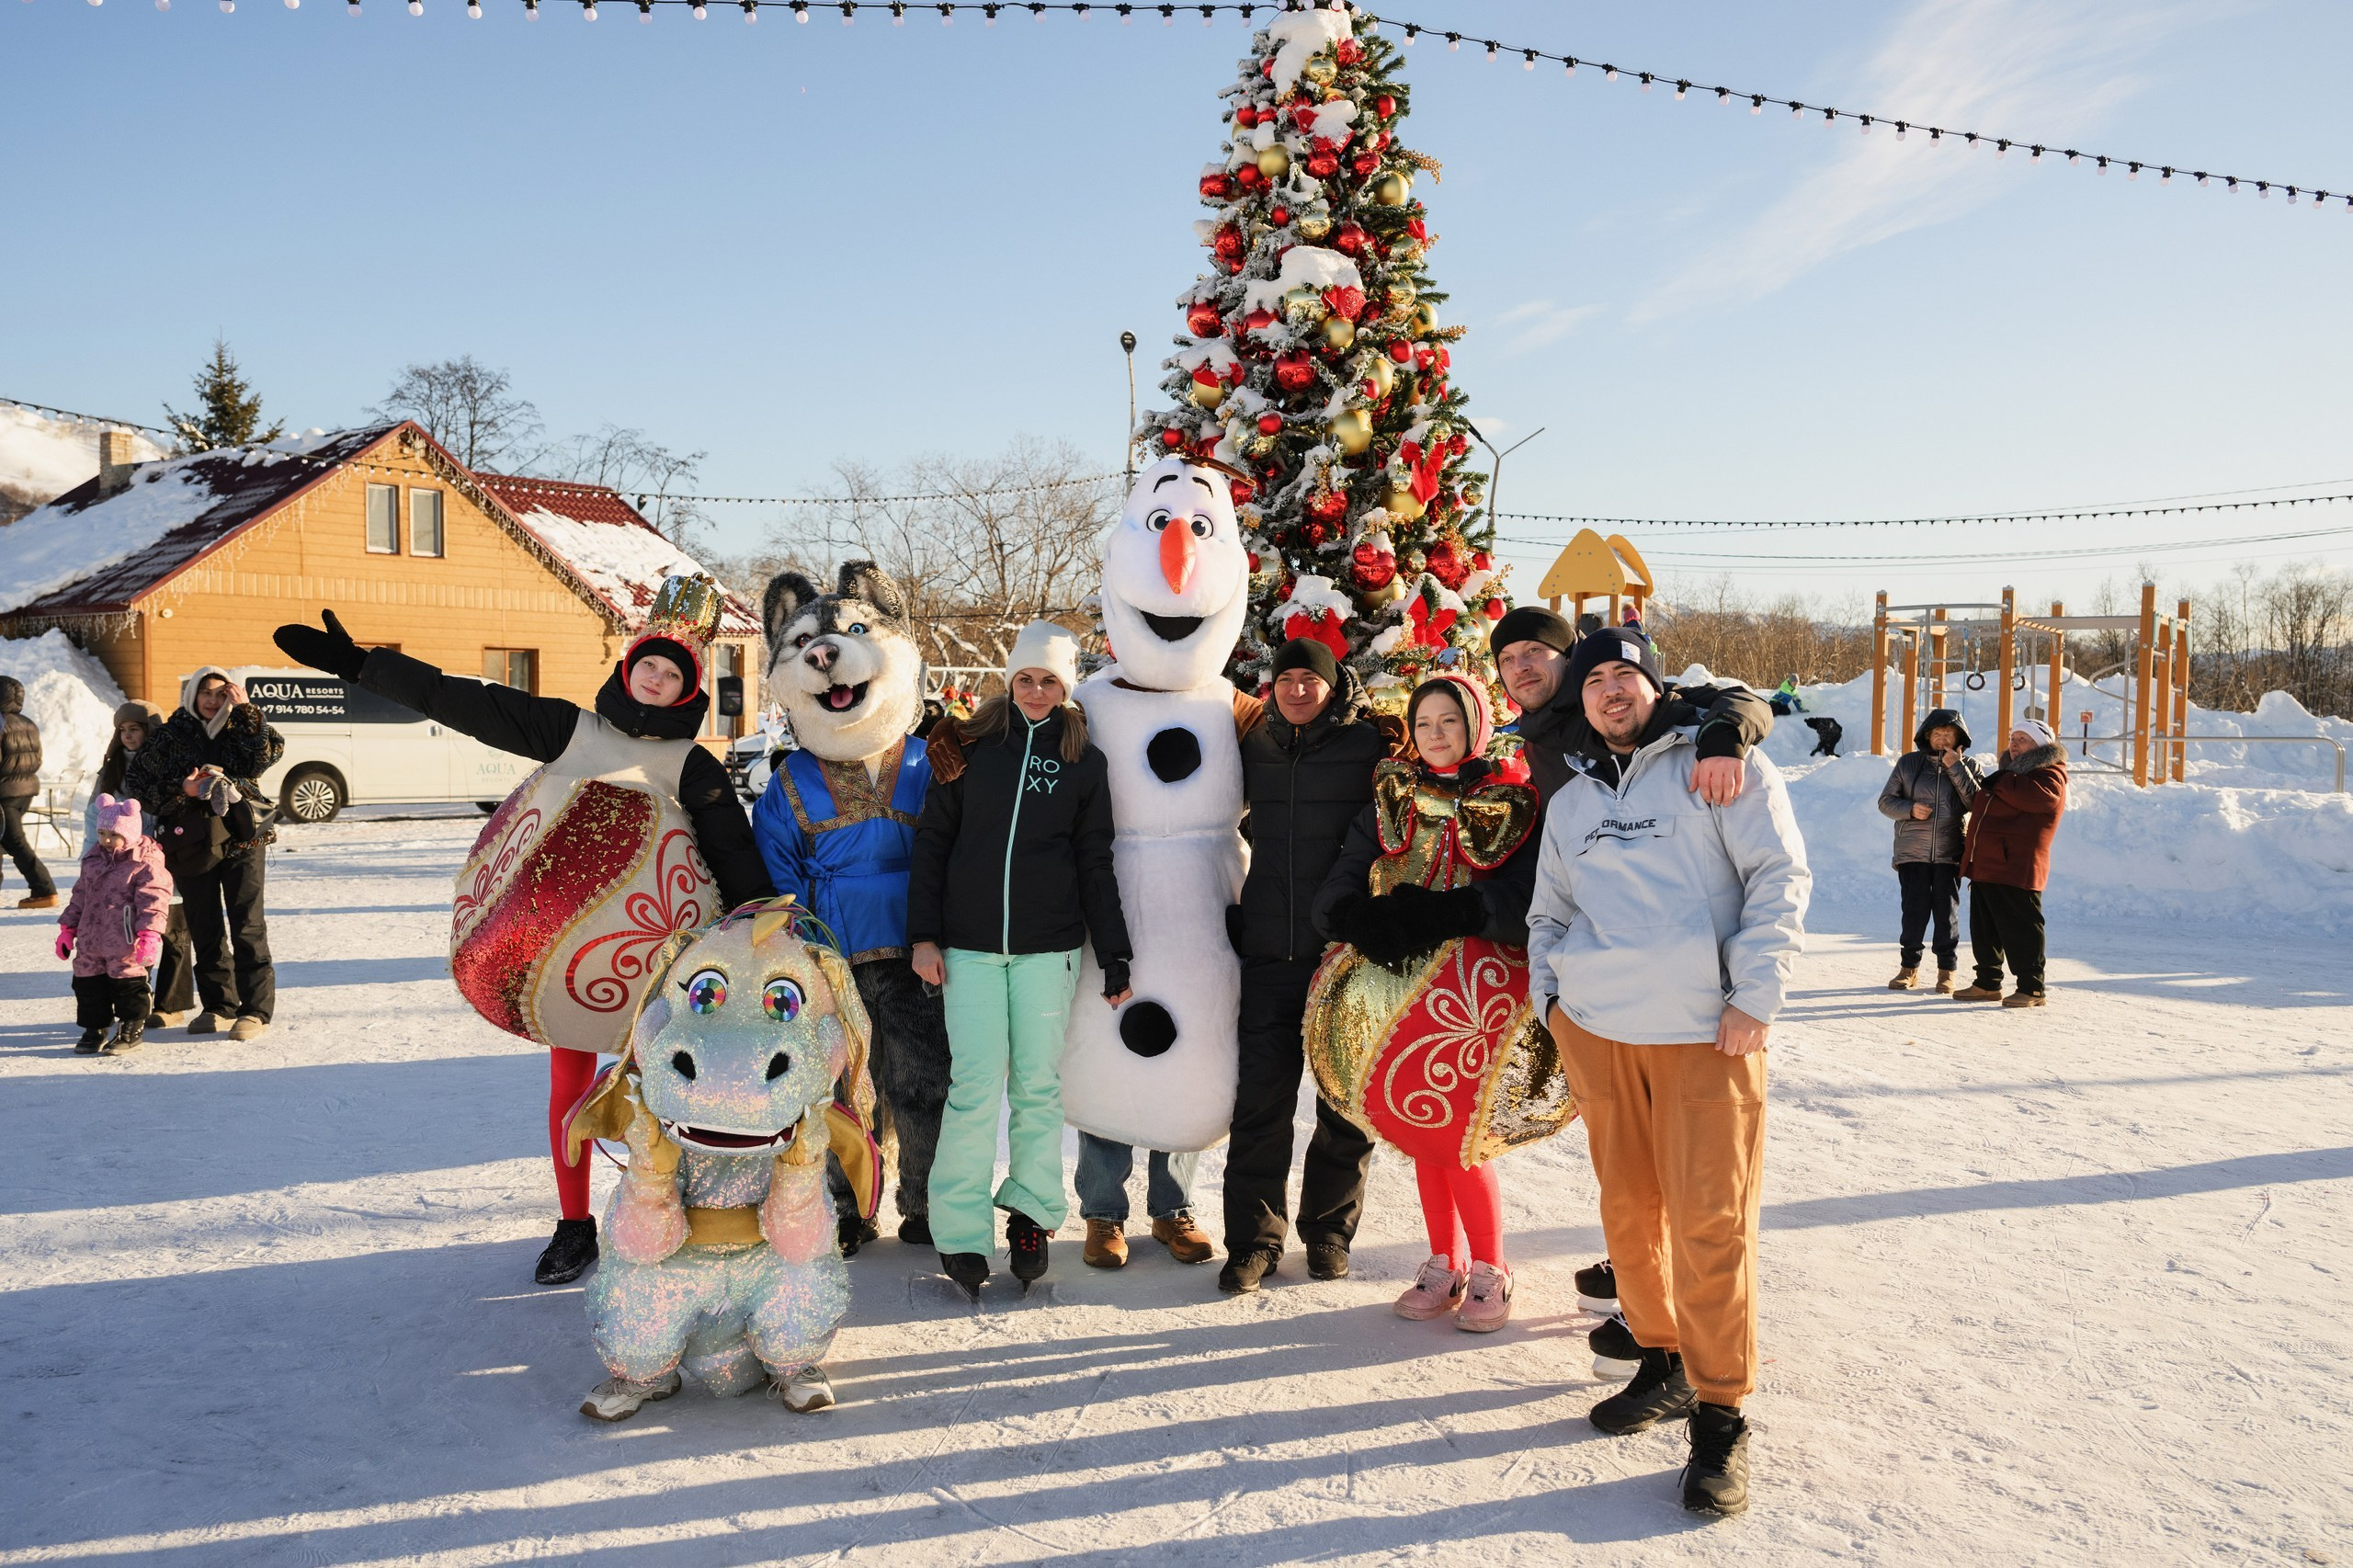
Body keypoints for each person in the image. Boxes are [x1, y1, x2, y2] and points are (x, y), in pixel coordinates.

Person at [273, 582, 775, 1286]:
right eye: (647, 667)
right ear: (629, 667)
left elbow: (734, 854)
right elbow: (465, 701)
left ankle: (663, 1209)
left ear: (687, 688)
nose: (655, 682)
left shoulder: (693, 765)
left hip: (659, 958)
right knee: (569, 1089)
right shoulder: (571, 730)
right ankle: (574, 1226)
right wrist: (362, 667)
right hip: (563, 962)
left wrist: (763, 929)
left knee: (668, 1087)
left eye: (671, 675)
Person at [1525, 627, 1811, 1518]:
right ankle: (1662, 1358)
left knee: (1709, 1222)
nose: (1611, 690)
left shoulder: (1718, 766)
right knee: (1628, 1214)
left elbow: (1778, 876)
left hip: (1703, 1036)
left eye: (1626, 675)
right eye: (1595, 678)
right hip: (1601, 1035)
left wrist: (1752, 996)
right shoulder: (1570, 801)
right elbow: (1547, 911)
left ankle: (1720, 1410)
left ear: (1655, 684)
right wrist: (1552, 1005)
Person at [1487, 607, 1773, 1337]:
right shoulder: (1547, 744)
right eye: (1508, 657)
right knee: (1629, 1192)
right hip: (1601, 1004)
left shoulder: (1639, 717)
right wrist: (1554, 997)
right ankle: (1650, 1320)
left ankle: (1698, 1357)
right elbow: (1550, 889)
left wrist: (1723, 736)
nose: (1523, 668)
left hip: (1693, 1010)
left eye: (1538, 655)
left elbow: (1737, 700)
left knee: (1703, 1193)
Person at [1307, 672, 1558, 1333]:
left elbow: (1529, 895)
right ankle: (1443, 1260)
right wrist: (1350, 914)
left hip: (1477, 996)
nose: (1436, 736)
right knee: (1422, 1137)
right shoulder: (1395, 794)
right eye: (1424, 724)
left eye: (1450, 721)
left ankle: (1490, 1267)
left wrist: (1465, 910)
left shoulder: (1512, 800)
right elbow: (1350, 865)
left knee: (1460, 1137)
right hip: (1394, 988)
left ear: (1476, 725)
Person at [905, 622, 1131, 1300]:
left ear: (1066, 689)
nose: (1036, 691)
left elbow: (1096, 862)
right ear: (1010, 681)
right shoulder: (968, 749)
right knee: (973, 1091)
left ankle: (1031, 1217)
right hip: (969, 950)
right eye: (1026, 679)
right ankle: (961, 1232)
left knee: (1037, 1088)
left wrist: (1114, 953)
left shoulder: (1084, 762)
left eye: (1049, 681)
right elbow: (932, 845)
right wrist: (924, 937)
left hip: (1048, 952)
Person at [1216, 640, 1383, 1294]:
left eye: (1308, 680)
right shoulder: (1251, 743)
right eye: (1284, 679)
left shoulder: (1367, 748)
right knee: (1260, 1103)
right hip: (1266, 952)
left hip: (1341, 957)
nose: (1296, 690)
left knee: (1344, 1103)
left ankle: (1329, 1232)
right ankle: (1254, 1242)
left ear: (1331, 685)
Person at [122, 668, 284, 1041]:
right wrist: (184, 788)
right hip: (190, 841)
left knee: (247, 924)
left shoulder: (241, 725)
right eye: (206, 693)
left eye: (221, 694)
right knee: (205, 925)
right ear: (192, 694)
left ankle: (255, 1010)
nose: (213, 701)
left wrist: (246, 713)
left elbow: (263, 758)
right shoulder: (171, 734)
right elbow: (140, 784)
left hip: (243, 839)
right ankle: (219, 1006)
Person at [87, 700, 196, 1026]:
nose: (128, 736)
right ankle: (132, 1000)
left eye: (134, 729)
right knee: (128, 934)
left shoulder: (168, 764)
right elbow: (94, 814)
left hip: (165, 859)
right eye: (122, 730)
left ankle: (171, 1004)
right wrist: (90, 856)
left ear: (150, 731)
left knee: (173, 931)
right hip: (121, 865)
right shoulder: (113, 767)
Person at [1954, 718, 2069, 1008]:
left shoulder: (2049, 775)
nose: (2014, 745)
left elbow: (2035, 798)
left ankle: (2032, 988)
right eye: (2012, 738)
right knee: (1985, 929)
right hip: (1989, 863)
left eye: (2023, 739)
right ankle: (1988, 982)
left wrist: (2003, 780)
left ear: (2040, 745)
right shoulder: (2010, 775)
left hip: (2016, 866)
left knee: (2021, 928)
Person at [1876, 708, 1985, 993]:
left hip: (1950, 852)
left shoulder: (1970, 765)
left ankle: (1946, 971)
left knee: (1946, 913)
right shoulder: (1908, 764)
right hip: (1912, 852)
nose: (1942, 739)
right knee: (1913, 912)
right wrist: (1910, 809)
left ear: (1959, 737)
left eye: (1948, 734)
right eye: (1937, 734)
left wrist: (1956, 767)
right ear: (1927, 736)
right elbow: (1885, 801)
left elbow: (1977, 803)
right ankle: (1908, 968)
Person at [56, 795, 173, 1056]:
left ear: (130, 833)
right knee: (88, 984)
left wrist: (149, 935)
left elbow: (154, 901)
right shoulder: (93, 859)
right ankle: (94, 1028)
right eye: (101, 833)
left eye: (113, 834)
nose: (106, 840)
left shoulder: (145, 862)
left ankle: (131, 1026)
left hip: (126, 940)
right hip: (90, 939)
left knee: (128, 985)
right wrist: (68, 929)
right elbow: (79, 897)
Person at [1, 675, 60, 911]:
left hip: (4, 791)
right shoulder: (27, 722)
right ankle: (43, 889)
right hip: (24, 791)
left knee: (14, 842)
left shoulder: (1, 723)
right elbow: (38, 758)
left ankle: (44, 889)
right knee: (5, 838)